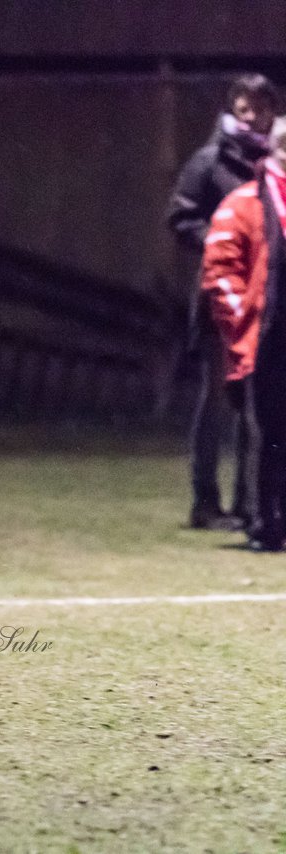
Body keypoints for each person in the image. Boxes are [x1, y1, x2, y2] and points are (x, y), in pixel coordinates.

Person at [168, 74, 279, 530]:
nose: (251, 116)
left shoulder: (276, 162)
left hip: (268, 299)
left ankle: (249, 503)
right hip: (222, 295)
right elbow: (180, 217)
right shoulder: (210, 160)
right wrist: (224, 240)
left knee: (257, 402)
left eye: (259, 107)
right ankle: (205, 502)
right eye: (243, 107)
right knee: (215, 399)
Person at [201, 116, 286, 551]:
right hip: (266, 335)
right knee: (268, 430)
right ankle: (265, 521)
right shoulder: (243, 203)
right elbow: (219, 269)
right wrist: (242, 318)